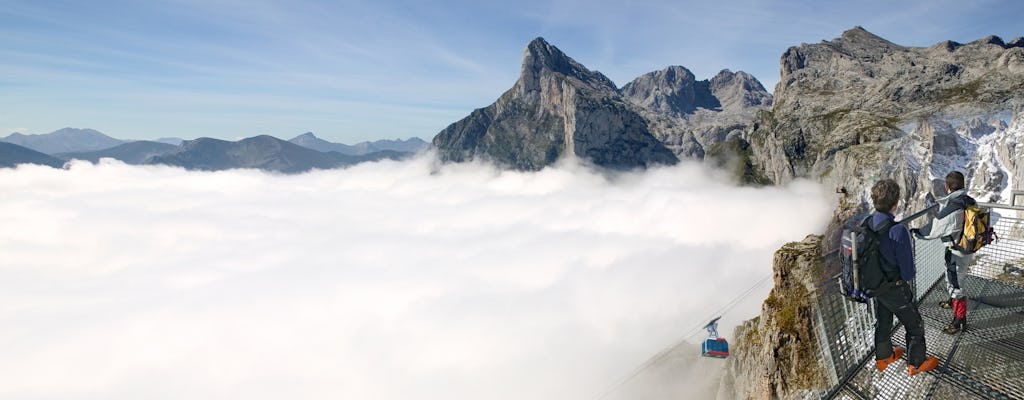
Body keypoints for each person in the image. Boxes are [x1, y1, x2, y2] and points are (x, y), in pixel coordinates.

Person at [869, 179, 940, 375]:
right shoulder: (897, 230)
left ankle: (883, 358)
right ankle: (916, 364)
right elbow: (908, 272)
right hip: (895, 288)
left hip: (876, 286)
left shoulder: (866, 224)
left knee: (883, 320)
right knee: (914, 325)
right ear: (896, 202)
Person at [914, 171, 975, 334]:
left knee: (957, 285)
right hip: (966, 248)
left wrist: (915, 232)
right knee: (954, 278)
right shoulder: (969, 200)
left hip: (957, 252)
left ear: (947, 187)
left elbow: (933, 230)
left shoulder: (954, 207)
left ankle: (959, 321)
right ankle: (951, 300)